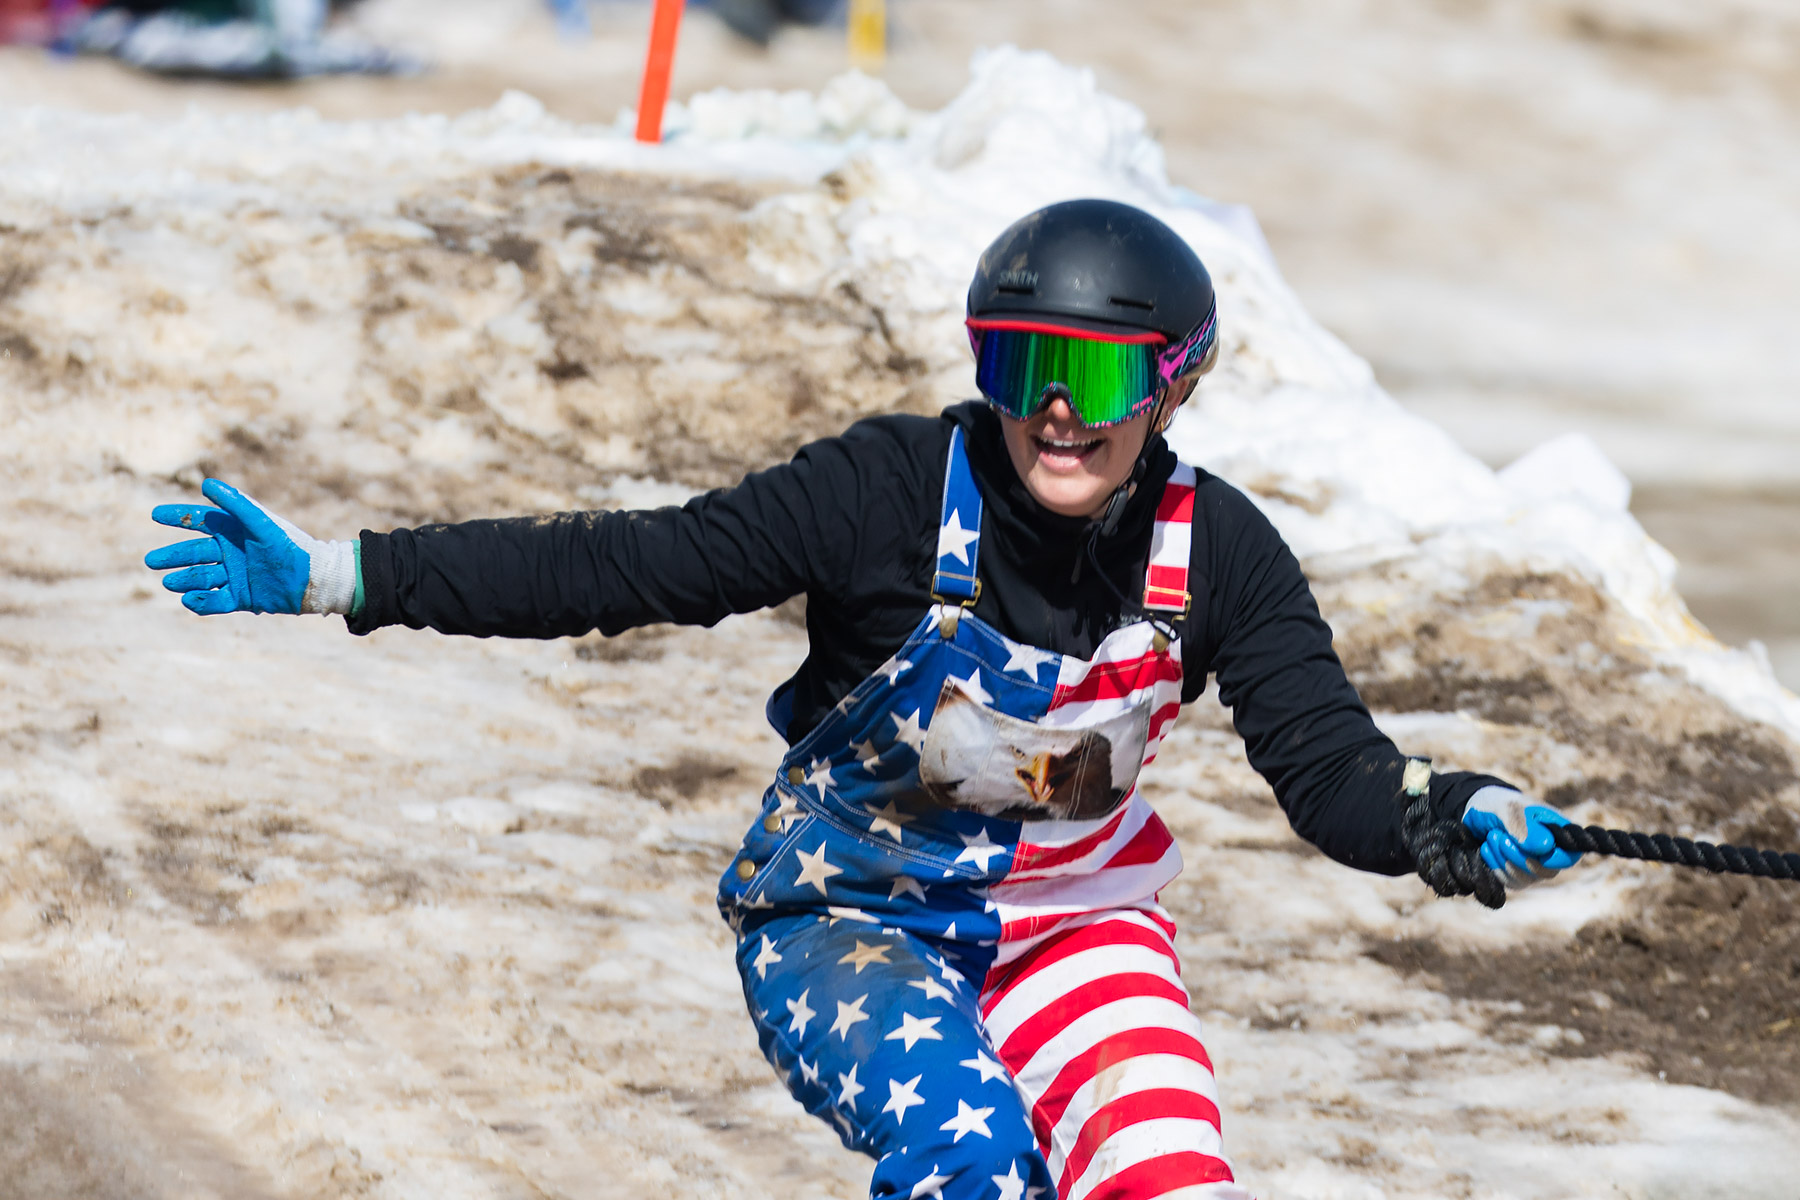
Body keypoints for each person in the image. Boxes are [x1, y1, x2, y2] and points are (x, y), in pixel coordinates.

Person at [144, 199, 1581, 1200]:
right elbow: (632, 564)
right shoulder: (887, 493)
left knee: (1168, 1179)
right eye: (1022, 366)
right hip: (849, 917)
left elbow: (1331, 766)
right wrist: (343, 573)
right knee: (972, 1164)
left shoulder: (1222, 553)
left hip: (1073, 927)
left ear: (1172, 385)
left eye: (1092, 373)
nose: (1059, 412)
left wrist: (1445, 812)